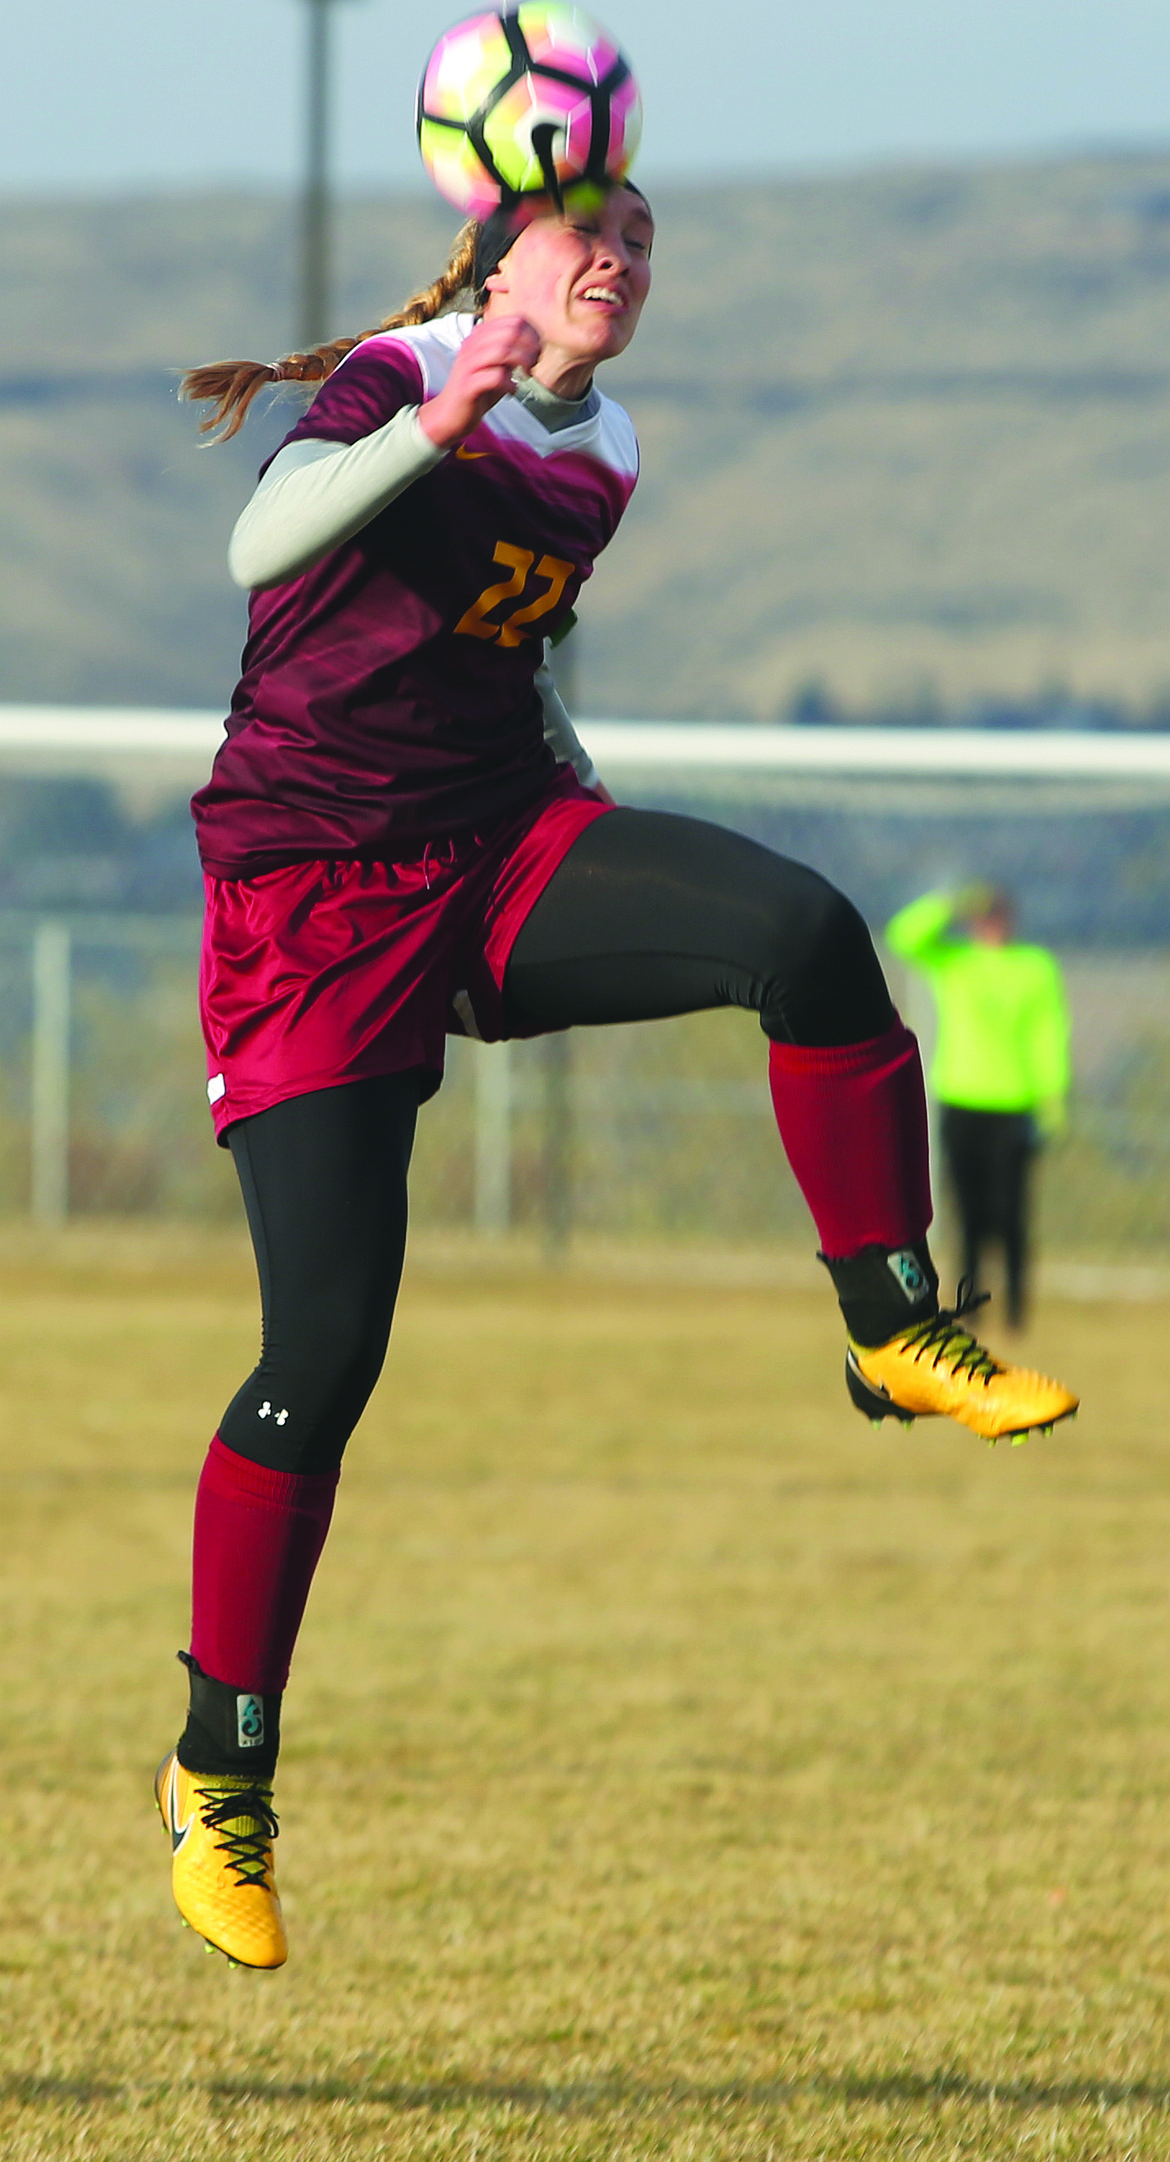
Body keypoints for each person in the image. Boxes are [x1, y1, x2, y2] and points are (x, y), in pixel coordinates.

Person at [155, 180, 1077, 1973]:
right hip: (312, 911)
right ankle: (218, 1774)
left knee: (805, 935)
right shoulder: (413, 373)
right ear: (495, 261)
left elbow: (512, 659)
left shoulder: (611, 447)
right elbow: (259, 553)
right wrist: (442, 408)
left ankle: (892, 1322)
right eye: (584, 234)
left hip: (497, 848)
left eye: (642, 243)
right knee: (320, 1357)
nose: (617, 265)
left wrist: (583, 798)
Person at [885, 883, 1071, 1329]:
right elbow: (903, 936)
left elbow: (1050, 1036)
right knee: (966, 1215)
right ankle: (973, 1307)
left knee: (1010, 1214)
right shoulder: (956, 962)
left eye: (996, 916)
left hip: (1014, 1103)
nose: (990, 925)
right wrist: (950, 902)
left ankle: (1016, 1311)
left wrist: (1053, 1100)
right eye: (982, 917)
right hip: (962, 1100)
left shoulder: (1034, 968)